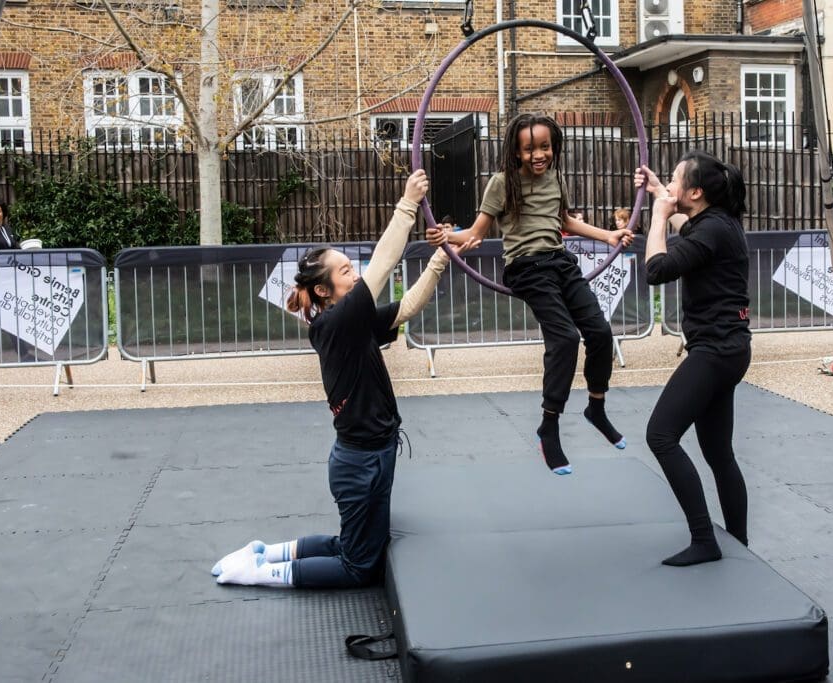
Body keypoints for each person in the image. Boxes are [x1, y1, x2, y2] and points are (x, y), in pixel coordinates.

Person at [211, 170, 478, 588]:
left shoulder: (353, 322)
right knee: (359, 566)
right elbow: (383, 266)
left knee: (350, 545)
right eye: (346, 270)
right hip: (360, 462)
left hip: (372, 454)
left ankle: (264, 552)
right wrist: (407, 206)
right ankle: (259, 574)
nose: (355, 274)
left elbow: (406, 307)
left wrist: (442, 258)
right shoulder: (333, 324)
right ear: (323, 290)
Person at [436, 113, 634, 476]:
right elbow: (476, 233)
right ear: (515, 151)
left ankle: (596, 407)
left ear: (554, 146)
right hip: (526, 267)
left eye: (544, 147)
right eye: (529, 149)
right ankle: (550, 425)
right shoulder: (501, 183)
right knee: (564, 339)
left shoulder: (556, 176)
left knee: (600, 332)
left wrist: (608, 236)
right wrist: (445, 236)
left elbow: (564, 221)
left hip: (560, 261)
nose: (538, 155)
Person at [634, 151, 752, 567]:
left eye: (675, 179)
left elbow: (657, 269)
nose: (669, 183)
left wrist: (658, 216)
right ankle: (739, 540)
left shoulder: (714, 230)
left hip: (716, 351)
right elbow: (690, 228)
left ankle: (705, 539)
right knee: (719, 452)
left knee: (660, 435)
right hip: (730, 349)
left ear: (696, 192)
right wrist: (659, 194)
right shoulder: (717, 224)